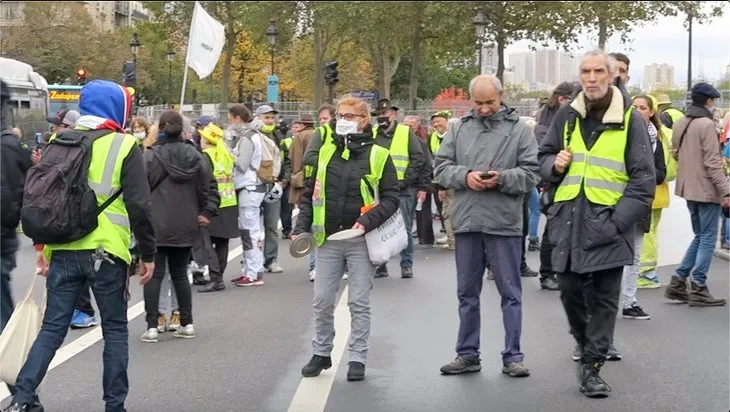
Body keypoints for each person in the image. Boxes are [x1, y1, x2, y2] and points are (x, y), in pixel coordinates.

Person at [8, 80, 156, 412]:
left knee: (52, 328)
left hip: (63, 250)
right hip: (107, 253)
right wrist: (148, 254)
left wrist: (44, 249)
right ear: (118, 108)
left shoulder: (58, 142)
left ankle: (21, 396)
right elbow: (140, 207)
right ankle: (114, 406)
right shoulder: (123, 145)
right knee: (115, 330)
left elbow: (45, 200)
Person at [538, 50, 655, 398]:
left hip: (608, 225)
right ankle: (583, 339)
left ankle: (592, 367)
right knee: (569, 289)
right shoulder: (566, 115)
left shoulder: (631, 119)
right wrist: (553, 167)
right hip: (569, 222)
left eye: (598, 71)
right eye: (586, 71)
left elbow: (643, 179)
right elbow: (542, 158)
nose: (591, 78)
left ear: (611, 76)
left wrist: (617, 221)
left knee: (605, 299)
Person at [435, 74, 539, 379]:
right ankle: (467, 354)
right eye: (478, 103)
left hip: (503, 223)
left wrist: (503, 179)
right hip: (468, 221)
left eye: (489, 102)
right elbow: (440, 169)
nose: (483, 109)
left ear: (502, 96)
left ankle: (513, 356)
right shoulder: (457, 129)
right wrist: (465, 176)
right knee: (467, 293)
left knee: (511, 293)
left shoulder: (520, 130)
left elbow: (532, 173)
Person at [293, 94, 399, 382]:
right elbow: (310, 195)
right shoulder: (326, 153)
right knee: (322, 300)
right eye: (340, 116)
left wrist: (366, 221)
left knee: (359, 302)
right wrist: (302, 227)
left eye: (350, 116)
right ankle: (321, 352)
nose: (343, 121)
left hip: (361, 240)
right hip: (328, 239)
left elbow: (391, 199)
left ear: (364, 120)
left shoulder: (379, 154)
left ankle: (357, 357)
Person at [141, 110, 218, 343]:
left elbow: (139, 192)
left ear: (160, 128)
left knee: (154, 275)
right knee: (181, 275)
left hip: (156, 222)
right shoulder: (196, 156)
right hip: (187, 222)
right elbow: (209, 188)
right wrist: (206, 212)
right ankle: (187, 322)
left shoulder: (149, 157)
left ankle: (153, 325)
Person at [665, 82, 729, 307]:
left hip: (687, 187)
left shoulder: (682, 122)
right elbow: (713, 163)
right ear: (709, 101)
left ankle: (679, 279)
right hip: (706, 189)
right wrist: (726, 191)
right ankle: (699, 285)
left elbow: (676, 154)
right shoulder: (706, 125)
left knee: (700, 236)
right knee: (708, 238)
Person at [619, 95, 670, 321]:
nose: (639, 111)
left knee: (635, 256)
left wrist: (645, 175)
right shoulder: (619, 135)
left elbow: (661, 172)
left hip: (640, 202)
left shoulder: (655, 140)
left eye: (643, 108)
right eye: (635, 107)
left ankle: (629, 302)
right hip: (616, 202)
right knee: (609, 256)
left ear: (651, 112)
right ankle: (603, 303)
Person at [370, 99, 425, 278]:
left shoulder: (405, 133)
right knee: (378, 229)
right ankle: (381, 264)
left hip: (402, 189)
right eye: (378, 115)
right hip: (378, 190)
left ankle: (406, 264)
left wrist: (406, 181)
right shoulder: (372, 134)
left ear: (393, 114)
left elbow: (417, 159)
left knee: (404, 228)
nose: (381, 118)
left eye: (384, 114)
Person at [533, 82, 576, 291]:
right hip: (555, 182)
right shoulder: (547, 124)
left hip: (570, 182)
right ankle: (547, 273)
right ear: (562, 99)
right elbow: (543, 154)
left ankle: (559, 271)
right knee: (552, 231)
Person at [228, 104, 267, 287]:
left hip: (249, 187)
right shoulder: (256, 135)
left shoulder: (247, 138)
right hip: (254, 186)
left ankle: (252, 273)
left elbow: (242, 164)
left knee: (249, 232)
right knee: (252, 231)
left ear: (237, 118)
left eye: (230, 118)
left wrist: (228, 152)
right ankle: (252, 269)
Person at [197, 123, 239, 293]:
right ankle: (219, 275)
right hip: (229, 200)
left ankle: (215, 278)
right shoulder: (225, 153)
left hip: (212, 202)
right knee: (222, 241)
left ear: (206, 140)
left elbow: (202, 180)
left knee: (205, 241)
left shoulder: (206, 155)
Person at [255, 104, 287, 273]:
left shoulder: (278, 135)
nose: (269, 120)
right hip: (255, 185)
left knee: (272, 224)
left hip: (273, 185)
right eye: (266, 117)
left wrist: (283, 180)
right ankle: (251, 258)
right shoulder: (251, 135)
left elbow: (285, 159)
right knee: (252, 226)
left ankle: (271, 259)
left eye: (271, 117)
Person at [289, 113, 318, 280]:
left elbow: (296, 159)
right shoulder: (320, 134)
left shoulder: (299, 137)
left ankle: (313, 266)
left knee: (308, 221)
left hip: (305, 183)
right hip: (318, 182)